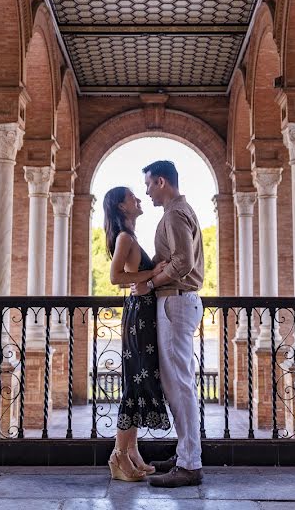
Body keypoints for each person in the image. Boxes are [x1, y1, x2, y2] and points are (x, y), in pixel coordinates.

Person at [132, 160, 205, 488]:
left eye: (148, 184)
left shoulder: (175, 214)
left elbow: (184, 261)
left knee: (180, 384)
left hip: (176, 300)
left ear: (161, 181)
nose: (146, 191)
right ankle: (185, 452)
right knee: (177, 383)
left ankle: (190, 464)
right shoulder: (179, 211)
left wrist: (151, 281)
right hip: (177, 302)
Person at [103, 186, 171, 482]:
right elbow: (116, 277)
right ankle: (118, 456)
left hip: (143, 311)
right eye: (133, 197)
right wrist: (153, 273)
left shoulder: (131, 237)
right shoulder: (124, 238)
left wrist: (149, 273)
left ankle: (132, 453)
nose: (139, 200)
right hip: (138, 315)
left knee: (139, 380)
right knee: (134, 383)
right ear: (121, 206)